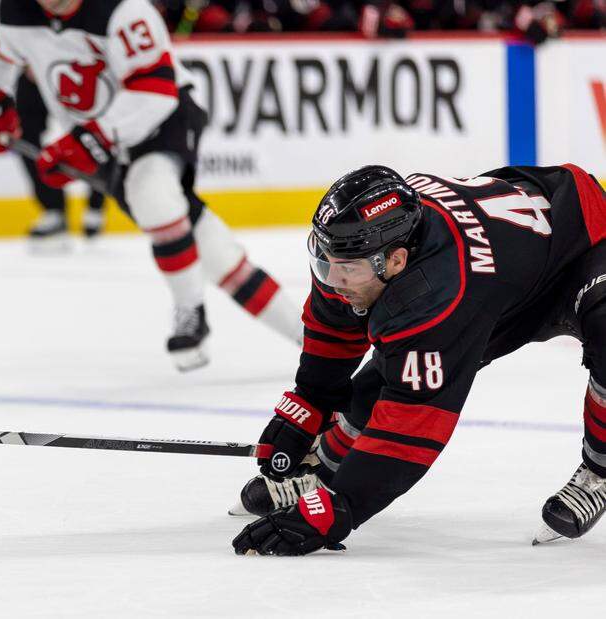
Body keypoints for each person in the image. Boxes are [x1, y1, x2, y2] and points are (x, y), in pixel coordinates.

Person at [231, 163, 606, 556]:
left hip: (584, 243)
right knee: (396, 375)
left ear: (395, 262)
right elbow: (336, 326)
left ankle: (600, 470)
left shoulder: (437, 293)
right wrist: (310, 399)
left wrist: (340, 508)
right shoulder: (353, 249)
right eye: (324, 261)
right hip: (506, 278)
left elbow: (411, 430)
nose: (332, 280)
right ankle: (324, 466)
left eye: (344, 270)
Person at [0, 0, 302, 371]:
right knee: (211, 249)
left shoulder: (126, 11)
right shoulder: (12, 11)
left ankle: (189, 309)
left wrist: (90, 139)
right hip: (108, 138)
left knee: (153, 195)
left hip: (164, 118)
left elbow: (154, 91)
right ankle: (311, 339)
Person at [14, 71, 106, 247]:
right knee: (24, 135)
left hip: (77, 67)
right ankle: (54, 209)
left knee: (95, 134)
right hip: (36, 71)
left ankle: (96, 203)